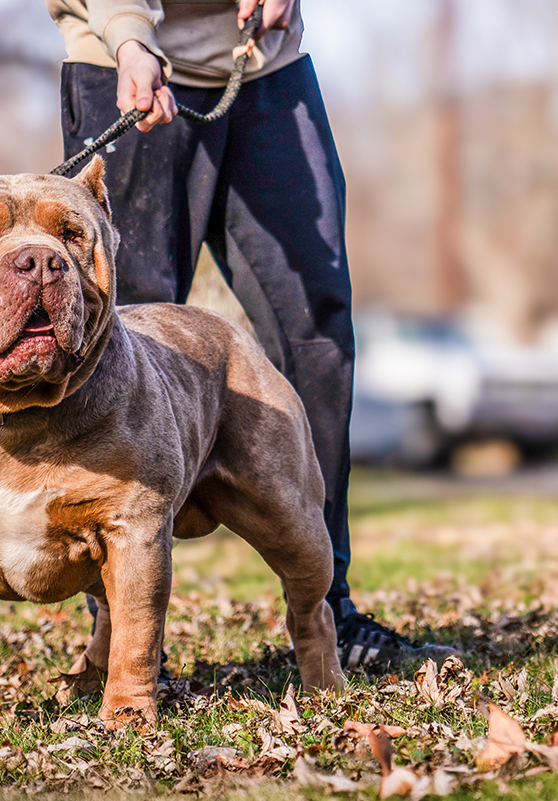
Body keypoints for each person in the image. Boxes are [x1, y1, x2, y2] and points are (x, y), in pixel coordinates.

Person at [45, 0, 445, 668]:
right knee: (125, 340)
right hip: (129, 59)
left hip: (263, 66)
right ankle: (121, 639)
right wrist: (130, 41)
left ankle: (328, 609)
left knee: (318, 328)